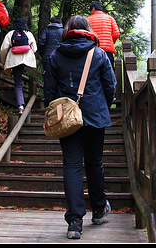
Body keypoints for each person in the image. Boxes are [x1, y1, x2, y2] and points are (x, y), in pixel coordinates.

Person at [44, 15, 116, 239]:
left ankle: (75, 221)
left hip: (67, 119)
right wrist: (103, 105)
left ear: (67, 31)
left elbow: (49, 92)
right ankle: (98, 209)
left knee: (72, 165)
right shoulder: (99, 53)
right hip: (95, 115)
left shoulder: (56, 55)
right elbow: (110, 85)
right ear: (87, 29)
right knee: (95, 162)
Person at [0, 18, 37, 115]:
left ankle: (21, 106)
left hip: (14, 60)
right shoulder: (29, 34)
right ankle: (30, 100)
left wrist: (3, 62)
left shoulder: (11, 34)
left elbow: (3, 50)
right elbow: (35, 49)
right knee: (28, 78)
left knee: (18, 82)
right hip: (27, 60)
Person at [87, 1, 120, 70]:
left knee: (94, 72)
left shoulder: (87, 20)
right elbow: (116, 33)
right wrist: (110, 43)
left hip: (93, 51)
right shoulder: (110, 18)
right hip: (107, 51)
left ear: (93, 8)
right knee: (109, 71)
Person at [37, 16, 63, 80]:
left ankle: (47, 89)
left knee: (47, 76)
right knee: (59, 76)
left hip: (47, 57)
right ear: (60, 23)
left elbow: (41, 43)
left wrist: (42, 53)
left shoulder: (46, 31)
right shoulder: (63, 31)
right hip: (60, 57)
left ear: (50, 22)